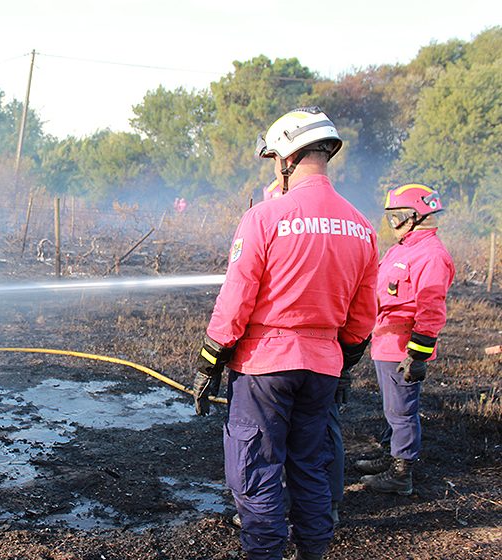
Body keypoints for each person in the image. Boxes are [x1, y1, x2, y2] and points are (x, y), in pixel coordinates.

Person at [192, 106, 378, 560]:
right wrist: (342, 367)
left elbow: (235, 301)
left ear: (288, 157)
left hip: (264, 369)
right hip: (322, 370)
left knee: (256, 470)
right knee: (311, 467)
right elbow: (362, 318)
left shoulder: (265, 218)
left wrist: (209, 362)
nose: (275, 168)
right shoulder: (362, 227)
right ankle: (312, 553)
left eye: (275, 158)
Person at [357, 184, 454, 495]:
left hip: (402, 348)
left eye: (395, 217)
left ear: (415, 216)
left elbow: (431, 308)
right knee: (392, 408)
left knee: (402, 411)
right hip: (386, 341)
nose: (392, 224)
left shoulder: (431, 255)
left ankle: (401, 473)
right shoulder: (403, 248)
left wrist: (417, 355)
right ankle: (391, 455)